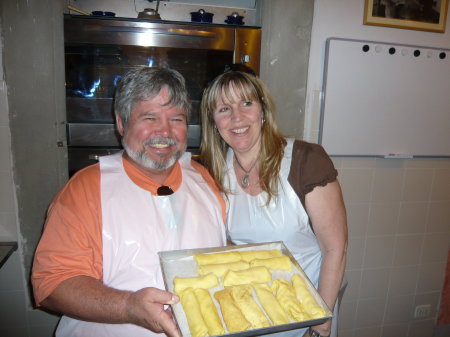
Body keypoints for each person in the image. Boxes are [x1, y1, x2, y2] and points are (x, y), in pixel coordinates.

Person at [31, 67, 227, 337]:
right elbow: (52, 284)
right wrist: (128, 306)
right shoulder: (86, 189)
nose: (165, 132)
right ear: (121, 123)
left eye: (177, 119)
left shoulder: (204, 178)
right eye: (150, 117)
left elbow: (222, 250)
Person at [199, 67, 348, 337]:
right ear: (213, 121)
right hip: (250, 310)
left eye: (247, 103)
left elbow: (335, 249)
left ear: (263, 110)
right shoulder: (213, 170)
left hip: (305, 310)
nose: (237, 118)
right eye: (224, 109)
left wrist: (321, 322)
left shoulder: (305, 160)